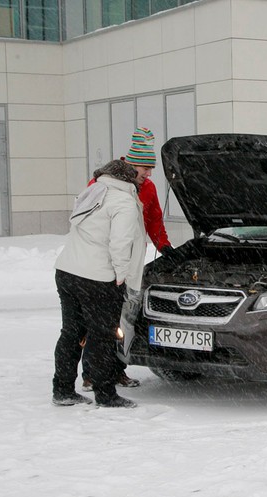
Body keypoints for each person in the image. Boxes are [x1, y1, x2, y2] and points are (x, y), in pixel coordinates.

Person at [81, 127, 172, 392]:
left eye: (150, 169)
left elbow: (154, 219)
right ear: (130, 163)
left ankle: (118, 369)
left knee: (124, 320)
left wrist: (163, 245)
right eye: (145, 168)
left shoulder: (149, 188)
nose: (148, 174)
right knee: (98, 320)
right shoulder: (102, 185)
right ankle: (90, 373)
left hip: (132, 263)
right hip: (103, 262)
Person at [52, 159, 147, 408]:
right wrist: (121, 276)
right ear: (127, 180)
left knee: (71, 332)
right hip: (97, 278)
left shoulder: (92, 192)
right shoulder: (124, 202)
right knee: (103, 335)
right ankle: (105, 394)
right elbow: (120, 244)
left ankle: (62, 389)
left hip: (66, 271)